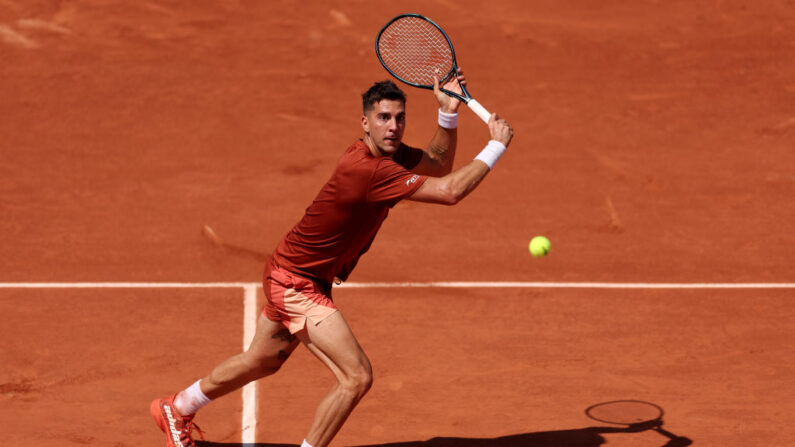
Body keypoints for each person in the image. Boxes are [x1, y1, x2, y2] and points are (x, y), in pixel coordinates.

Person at [150, 69, 514, 447]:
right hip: (295, 282)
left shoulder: (385, 156)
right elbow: (449, 190)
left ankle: (175, 407)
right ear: (365, 122)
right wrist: (496, 146)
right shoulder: (369, 171)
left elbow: (438, 163)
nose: (393, 126)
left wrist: (448, 114)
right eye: (383, 118)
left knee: (262, 360)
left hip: (297, 272)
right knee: (356, 377)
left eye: (400, 118)